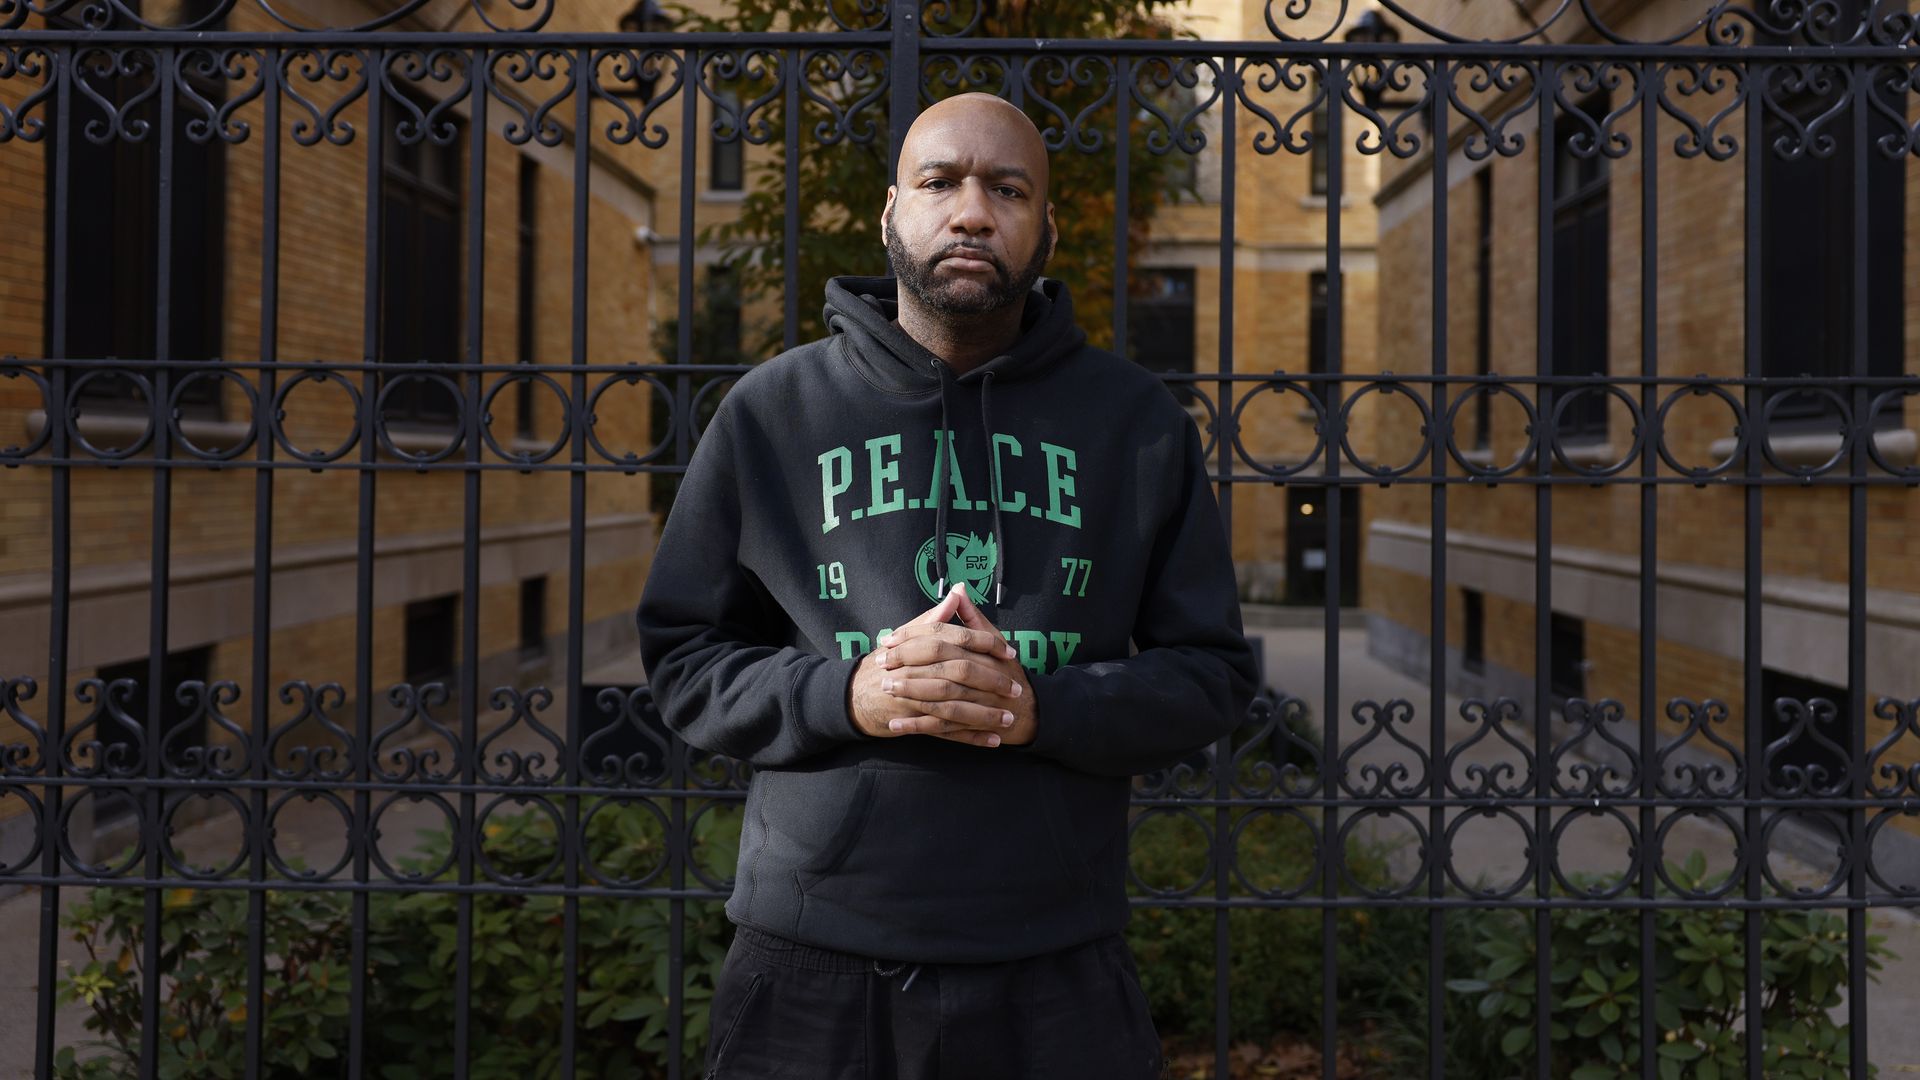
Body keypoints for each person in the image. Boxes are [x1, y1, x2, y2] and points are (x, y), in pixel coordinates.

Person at [636, 92, 1258, 1079]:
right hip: (814, 961)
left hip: (1055, 963)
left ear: (1046, 226)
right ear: (892, 213)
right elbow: (684, 661)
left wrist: (1036, 708)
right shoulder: (772, 414)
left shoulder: (1135, 424)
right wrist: (851, 693)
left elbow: (1211, 677)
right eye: (941, 182)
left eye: (1006, 188)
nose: (972, 211)